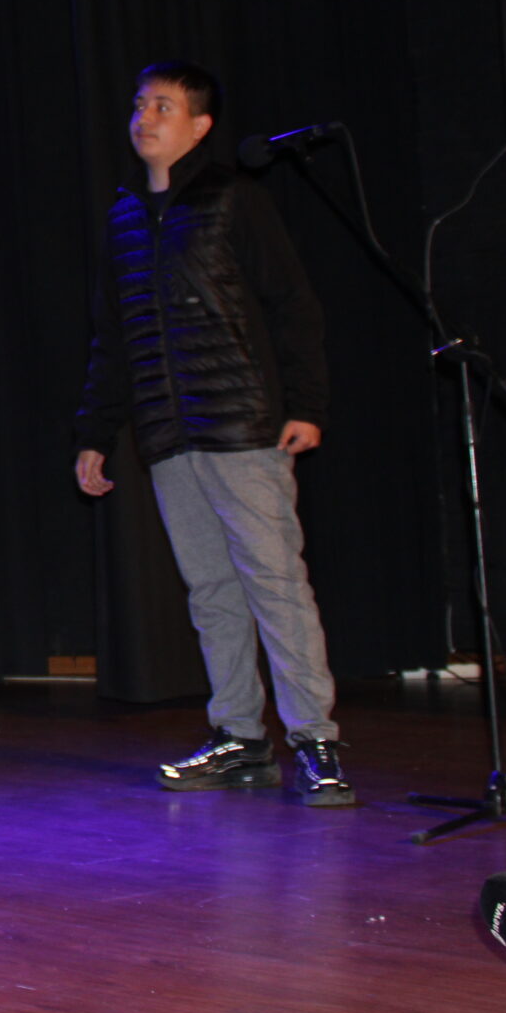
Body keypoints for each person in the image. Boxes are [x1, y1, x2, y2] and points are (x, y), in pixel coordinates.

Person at [73, 61, 356, 806]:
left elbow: (292, 304)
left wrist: (307, 403)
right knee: (212, 591)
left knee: (274, 582)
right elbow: (114, 336)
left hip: (240, 424)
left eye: (163, 106)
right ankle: (240, 737)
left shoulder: (233, 198)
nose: (144, 117)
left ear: (199, 126)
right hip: (169, 434)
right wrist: (96, 430)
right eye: (140, 104)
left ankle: (315, 741)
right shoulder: (125, 215)